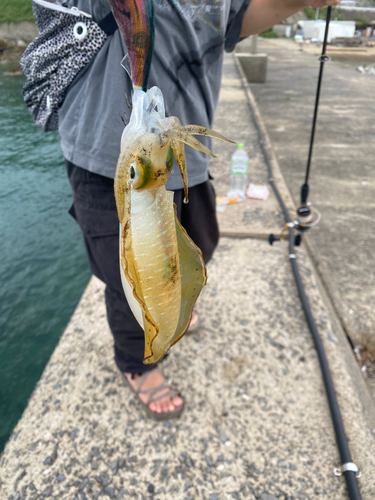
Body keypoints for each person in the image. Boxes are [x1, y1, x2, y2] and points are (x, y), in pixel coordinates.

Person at [60, 0, 341, 419]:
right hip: (101, 149)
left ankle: (171, 310)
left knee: (197, 246)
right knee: (125, 276)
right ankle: (138, 362)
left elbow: (238, 18)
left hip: (179, 159)